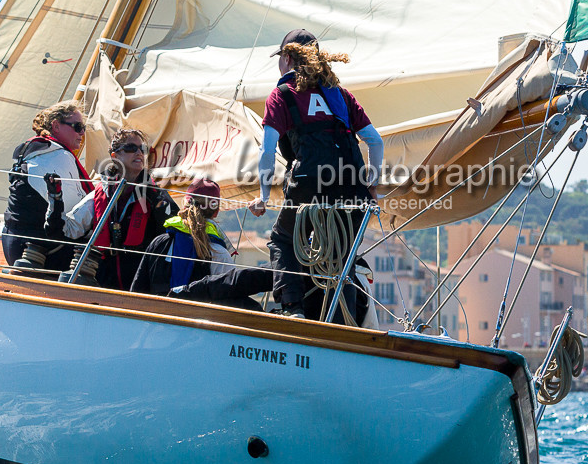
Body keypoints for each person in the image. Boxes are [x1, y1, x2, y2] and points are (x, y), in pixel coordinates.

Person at [248, 28, 383, 319]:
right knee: (341, 256)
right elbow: (375, 141)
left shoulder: (283, 95)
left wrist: (261, 196)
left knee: (283, 240)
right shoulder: (341, 96)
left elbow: (267, 150)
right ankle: (342, 324)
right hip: (352, 186)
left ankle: (293, 309)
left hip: (308, 183)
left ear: (286, 58)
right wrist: (371, 184)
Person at [64, 128, 177, 290]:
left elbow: (174, 231)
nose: (139, 153)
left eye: (142, 149)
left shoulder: (156, 195)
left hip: (140, 281)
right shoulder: (100, 192)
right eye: (131, 148)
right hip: (103, 279)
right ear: (114, 156)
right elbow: (69, 229)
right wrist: (55, 199)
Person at [134, 178, 273, 309]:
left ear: (184, 205)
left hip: (155, 325)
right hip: (198, 330)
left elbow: (137, 291)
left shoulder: (159, 243)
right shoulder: (218, 252)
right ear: (216, 212)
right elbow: (230, 297)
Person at [2, 101, 91, 271]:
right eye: (77, 126)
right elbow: (73, 215)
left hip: (14, 242)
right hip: (43, 251)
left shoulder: (33, 152)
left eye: (83, 128)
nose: (82, 133)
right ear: (56, 126)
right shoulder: (57, 156)